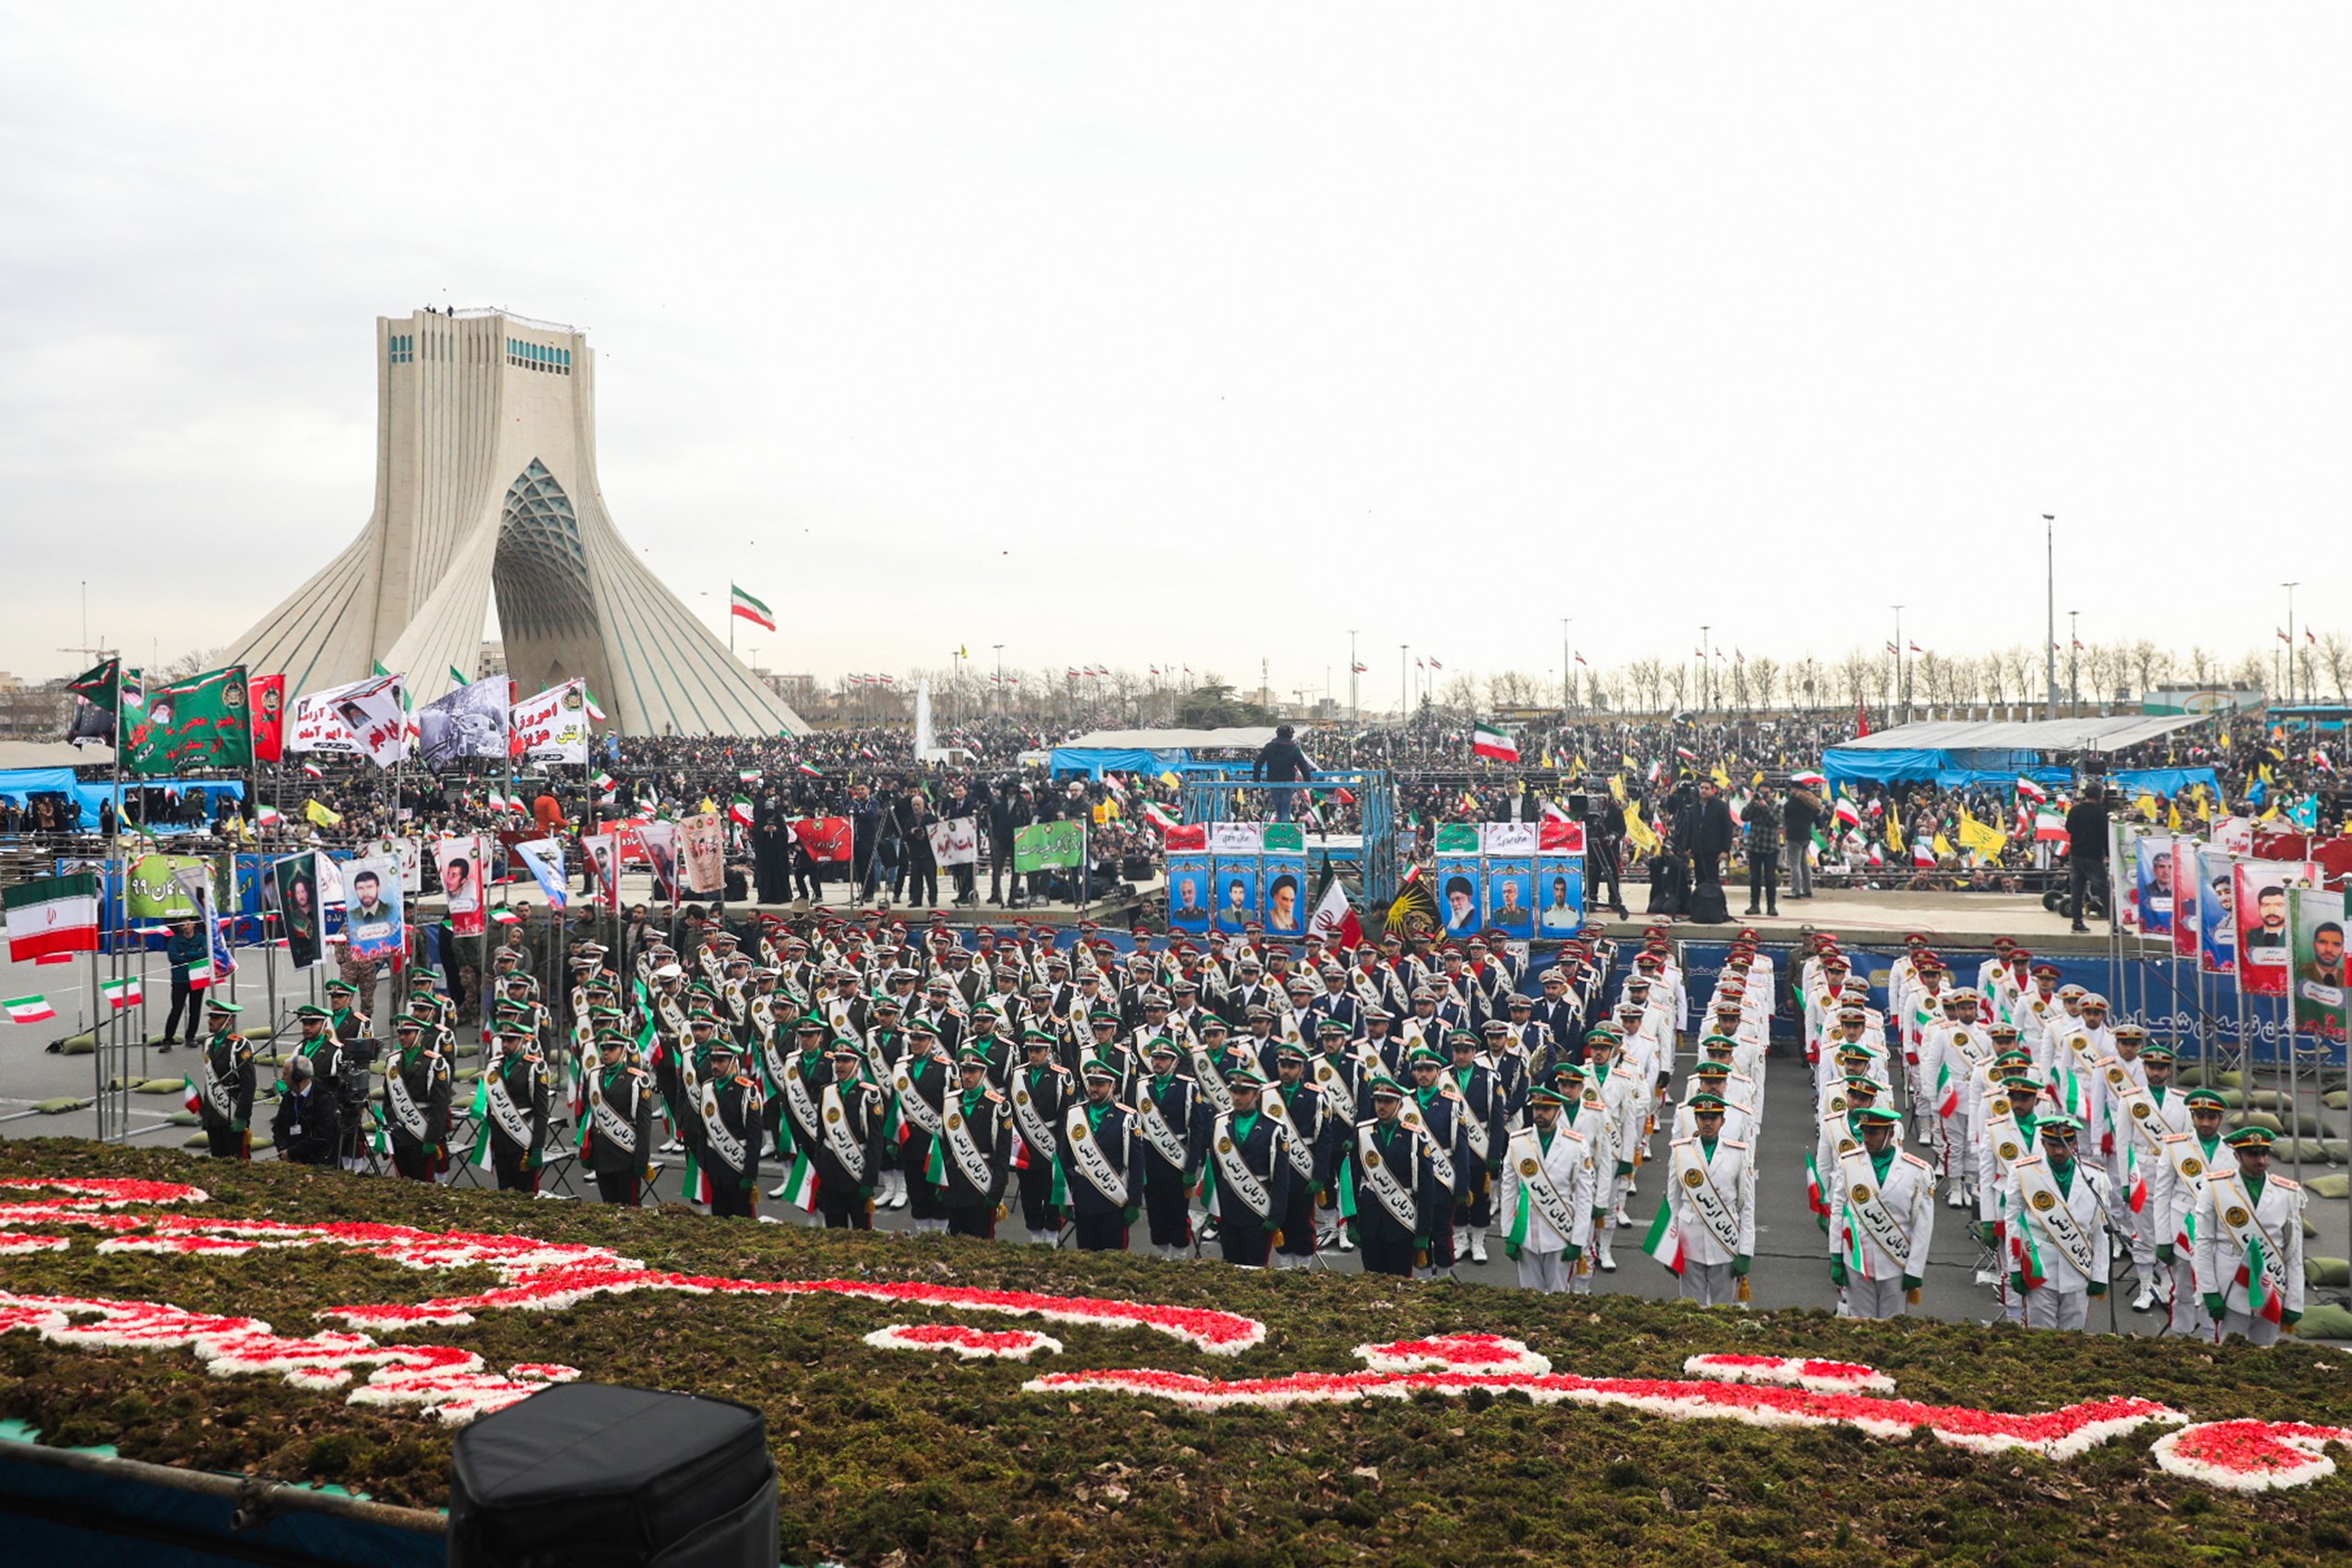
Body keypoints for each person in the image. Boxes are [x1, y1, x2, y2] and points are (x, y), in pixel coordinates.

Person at [2195, 1124, 2305, 1345]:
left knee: (2265, 1352)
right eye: (2252, 1154)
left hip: (2272, 1283)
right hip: (2229, 1282)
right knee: (2226, 1350)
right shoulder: (2216, 1186)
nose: (2261, 1161)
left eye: (2264, 1153)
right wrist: (2208, 1290)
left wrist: (2295, 1301)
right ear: (2237, 1155)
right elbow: (2204, 1242)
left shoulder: (2287, 1192)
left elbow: (2293, 1250)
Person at [1828, 1106, 1934, 1318]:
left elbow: (1922, 1225)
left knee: (1892, 1329)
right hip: (1857, 1262)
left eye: (1873, 1132)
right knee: (1859, 1327)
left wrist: (1915, 1269)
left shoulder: (1917, 1171)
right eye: (1865, 1131)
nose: (1867, 1137)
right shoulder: (1848, 1163)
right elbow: (1838, 1212)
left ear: (1891, 1133)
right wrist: (1836, 1256)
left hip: (1895, 1264)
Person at [2006, 1115, 2110, 1331]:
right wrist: (2014, 1267)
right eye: (2053, 1145)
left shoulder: (2095, 1177)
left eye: (2065, 1144)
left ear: (2074, 1143)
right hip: (2039, 1264)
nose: (2060, 1151)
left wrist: (2100, 1274)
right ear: (2043, 1143)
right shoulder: (2024, 1172)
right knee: (2039, 1332)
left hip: (2078, 1264)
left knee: (2074, 1335)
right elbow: (2013, 1222)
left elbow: (2100, 1230)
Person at [1497, 1085, 1594, 1292]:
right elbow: (1508, 1189)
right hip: (1524, 1230)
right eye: (1537, 1108)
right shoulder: (1518, 1142)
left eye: (1546, 1109)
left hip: (1560, 1230)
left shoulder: (1576, 1145)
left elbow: (1584, 1196)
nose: (1539, 1113)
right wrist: (1507, 1233)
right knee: (1528, 1296)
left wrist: (1579, 1240)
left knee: (1558, 1297)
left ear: (1558, 1112)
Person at [1662, 1092, 1754, 1306]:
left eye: (1713, 1118)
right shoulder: (1681, 1151)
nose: (1707, 1123)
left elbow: (1747, 1205)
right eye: (1703, 1117)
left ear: (1722, 1121)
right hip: (1689, 1239)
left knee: (1723, 1308)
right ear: (1696, 1120)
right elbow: (1673, 1203)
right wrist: (1670, 1245)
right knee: (1691, 1308)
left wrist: (1746, 1251)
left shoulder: (1738, 1153)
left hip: (1724, 1239)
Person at [1203, 1067, 1293, 1267]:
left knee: (1256, 1267)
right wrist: (1213, 1204)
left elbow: (1281, 1178)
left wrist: (1276, 1216)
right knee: (1230, 1265)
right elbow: (1215, 1169)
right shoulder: (1220, 1123)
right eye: (1234, 1091)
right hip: (1228, 1206)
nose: (1237, 1097)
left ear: (1256, 1095)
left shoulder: (1274, 1129)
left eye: (1243, 1093)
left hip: (1258, 1208)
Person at [1057, 1061, 1139, 1252]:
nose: (1093, 1089)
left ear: (1112, 1086)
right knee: (1085, 1256)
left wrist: (1134, 1202)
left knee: (1112, 1259)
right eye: (1091, 1083)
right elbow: (1065, 1158)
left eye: (1100, 1084)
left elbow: (1135, 1164)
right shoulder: (1075, 1113)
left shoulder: (1126, 1118)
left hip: (1113, 1200)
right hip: (1083, 1199)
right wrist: (1064, 1197)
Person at [937, 1048, 1013, 1239]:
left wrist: (996, 1193)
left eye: (973, 1072)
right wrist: (942, 1182)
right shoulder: (950, 1102)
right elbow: (945, 1147)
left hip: (981, 1185)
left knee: (982, 1245)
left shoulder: (998, 1106)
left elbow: (1002, 1156)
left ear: (983, 1074)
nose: (967, 1076)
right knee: (955, 1241)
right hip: (955, 1185)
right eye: (964, 1071)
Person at [809, 1042, 885, 1229]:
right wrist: (818, 1170)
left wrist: (869, 1180)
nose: (840, 1066)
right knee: (834, 1229)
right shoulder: (827, 1091)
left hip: (856, 1172)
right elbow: (821, 1135)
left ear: (857, 1065)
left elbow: (875, 1141)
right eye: (837, 1061)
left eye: (845, 1061)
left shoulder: (869, 1095)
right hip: (830, 1172)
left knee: (861, 1231)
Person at [695, 1036, 765, 1218]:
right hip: (714, 1170)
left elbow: (754, 1138)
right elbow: (703, 1131)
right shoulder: (707, 1088)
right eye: (713, 1060)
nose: (715, 1065)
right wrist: (704, 1163)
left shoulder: (747, 1092)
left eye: (721, 1061)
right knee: (719, 1222)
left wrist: (750, 1175)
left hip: (737, 1168)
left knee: (743, 1225)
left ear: (733, 1061)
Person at [580, 1032, 655, 1205]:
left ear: (623, 1051)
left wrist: (641, 1160)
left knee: (630, 1210)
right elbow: (590, 1116)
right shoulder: (594, 1076)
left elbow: (644, 1124)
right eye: (603, 1048)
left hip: (625, 1155)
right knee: (608, 1208)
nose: (606, 1052)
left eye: (611, 1048)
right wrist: (586, 1150)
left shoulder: (637, 1080)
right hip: (601, 1154)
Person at [481, 1024, 552, 1194]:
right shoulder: (493, 1066)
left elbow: (541, 1112)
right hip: (500, 1139)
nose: (505, 1044)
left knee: (525, 1195)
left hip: (523, 1140)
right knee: (504, 1191)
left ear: (521, 1041)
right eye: (503, 1039)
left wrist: (537, 1148)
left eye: (510, 1040)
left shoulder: (535, 1067)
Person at [382, 1016, 452, 1182]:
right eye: (400, 1033)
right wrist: (390, 1125)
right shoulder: (393, 1060)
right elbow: (388, 1098)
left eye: (408, 1033)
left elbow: (440, 1105)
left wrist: (431, 1139)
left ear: (420, 1035)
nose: (402, 1037)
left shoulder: (435, 1062)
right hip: (399, 1132)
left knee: (423, 1183)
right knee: (403, 1181)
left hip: (421, 1131)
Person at [190, 997, 255, 1160]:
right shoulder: (207, 1042)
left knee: (238, 1162)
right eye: (210, 1017)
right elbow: (209, 1080)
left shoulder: (239, 1045)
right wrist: (206, 1114)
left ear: (229, 1020)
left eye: (216, 1017)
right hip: (214, 1114)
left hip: (232, 1114)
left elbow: (249, 1085)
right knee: (217, 1161)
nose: (210, 1021)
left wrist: (242, 1116)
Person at [270, 1053, 340, 1167]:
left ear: (297, 1077)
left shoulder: (324, 1098)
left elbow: (323, 1135)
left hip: (319, 1162)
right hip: (291, 1160)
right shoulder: (289, 1097)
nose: (282, 1078)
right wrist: (284, 1151)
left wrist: (293, 1153)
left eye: (285, 1074)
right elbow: (278, 1127)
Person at [2063, 786, 2111, 932]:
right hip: (2093, 856)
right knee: (2104, 890)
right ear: (2099, 796)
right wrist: (2108, 853)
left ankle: (2077, 923)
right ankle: (2115, 924)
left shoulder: (2075, 810)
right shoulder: (2100, 813)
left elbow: (2068, 828)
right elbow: (2105, 835)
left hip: (2076, 855)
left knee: (2077, 891)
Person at [159, 917, 207, 1051]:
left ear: (194, 924)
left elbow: (205, 954)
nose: (185, 926)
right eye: (182, 924)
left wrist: (185, 954)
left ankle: (190, 1037)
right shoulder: (174, 940)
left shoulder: (202, 939)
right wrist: (194, 955)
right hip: (180, 979)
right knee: (176, 1009)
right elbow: (173, 957)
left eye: (188, 923)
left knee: (195, 1010)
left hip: (198, 978)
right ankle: (168, 1039)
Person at [1252, 724, 1313, 823]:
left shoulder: (1269, 747)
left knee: (1278, 808)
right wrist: (1308, 781)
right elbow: (1303, 766)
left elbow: (1258, 764)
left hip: (1273, 781)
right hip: (1288, 781)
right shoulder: (1294, 748)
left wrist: (1256, 782)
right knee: (1285, 809)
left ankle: (1280, 830)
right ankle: (1284, 832)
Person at [1741, 785, 1783, 917]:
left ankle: (1771, 906)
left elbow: (1776, 821)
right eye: (1761, 792)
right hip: (1755, 846)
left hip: (1770, 846)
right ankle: (1754, 905)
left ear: (1772, 793)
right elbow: (1744, 817)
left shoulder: (1777, 806)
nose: (1763, 795)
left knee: (1770, 878)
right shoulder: (1754, 804)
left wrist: (1765, 806)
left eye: (1766, 792)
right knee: (1754, 878)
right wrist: (1753, 804)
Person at [1781, 780, 1821, 900]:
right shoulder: (1811, 803)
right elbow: (1817, 818)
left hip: (1794, 835)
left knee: (1794, 864)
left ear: (1795, 789)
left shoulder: (1793, 803)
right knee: (1804, 863)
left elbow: (1785, 814)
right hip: (1806, 834)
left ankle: (1796, 890)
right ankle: (1808, 889)